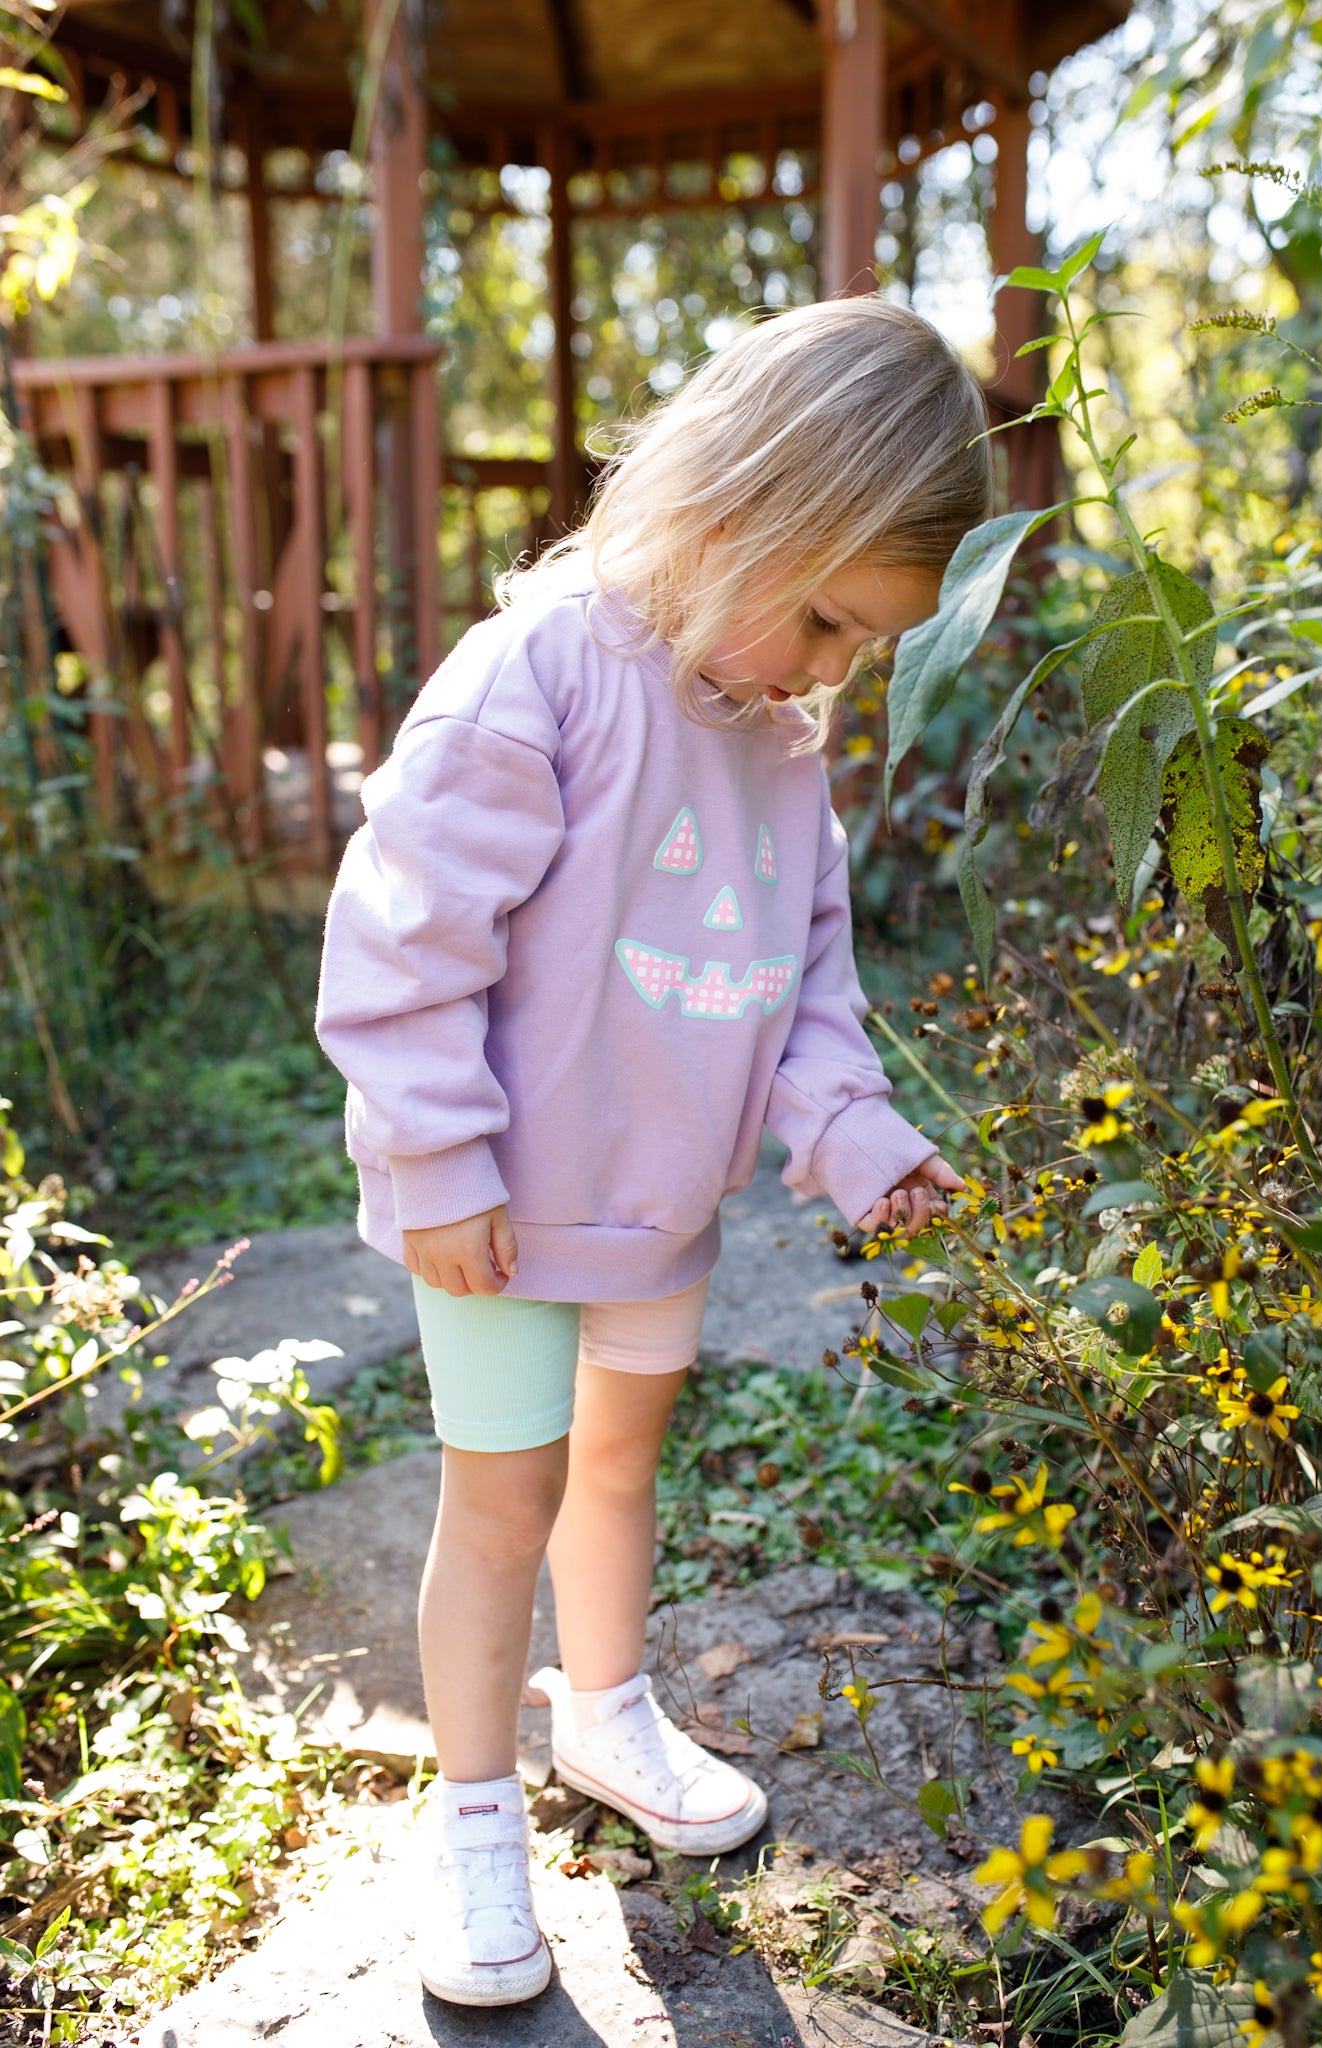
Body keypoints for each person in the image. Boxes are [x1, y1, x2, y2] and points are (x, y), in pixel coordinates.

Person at [315, 295, 989, 2008]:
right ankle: (473, 1814)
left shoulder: (775, 745)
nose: (834, 671)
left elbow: (805, 979)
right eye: (828, 619)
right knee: (502, 1499)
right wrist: (443, 1160)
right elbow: (405, 934)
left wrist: (851, 1132)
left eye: (866, 647)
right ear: (737, 508)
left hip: (656, 1207)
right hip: (497, 1214)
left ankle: (602, 1715)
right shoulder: (536, 677)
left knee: (616, 1474)